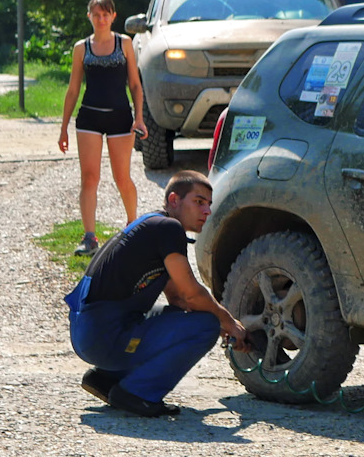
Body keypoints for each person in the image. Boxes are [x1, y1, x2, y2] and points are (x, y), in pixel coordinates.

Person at [67, 170, 249, 417]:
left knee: (188, 317)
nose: (206, 211)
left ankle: (107, 379)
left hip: (89, 331)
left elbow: (179, 299)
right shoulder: (168, 228)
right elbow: (192, 294)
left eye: (208, 205)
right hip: (102, 334)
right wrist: (227, 322)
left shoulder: (152, 225)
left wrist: (221, 327)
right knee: (206, 324)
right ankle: (137, 393)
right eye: (198, 202)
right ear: (174, 200)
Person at [57, 0, 148, 256]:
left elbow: (134, 84)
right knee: (89, 178)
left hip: (120, 117)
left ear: (113, 16)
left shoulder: (125, 43)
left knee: (122, 177)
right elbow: (73, 89)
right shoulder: (81, 48)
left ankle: (133, 226)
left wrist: (139, 117)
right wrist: (63, 127)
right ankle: (89, 237)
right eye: (96, 14)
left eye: (106, 14)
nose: (101, 19)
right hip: (89, 118)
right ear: (89, 17)